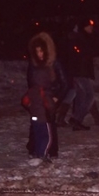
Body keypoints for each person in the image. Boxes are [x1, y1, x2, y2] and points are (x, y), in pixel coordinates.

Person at [24, 31, 67, 164]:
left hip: (50, 98)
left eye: (42, 51)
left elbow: (64, 83)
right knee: (37, 124)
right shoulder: (34, 64)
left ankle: (49, 151)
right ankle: (35, 149)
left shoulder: (54, 63)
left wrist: (56, 97)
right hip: (38, 99)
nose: (39, 54)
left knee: (49, 124)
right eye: (37, 51)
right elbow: (30, 81)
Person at [64, 20, 99, 131]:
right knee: (89, 95)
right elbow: (87, 53)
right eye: (89, 26)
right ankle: (77, 119)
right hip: (80, 71)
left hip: (79, 71)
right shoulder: (81, 38)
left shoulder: (82, 38)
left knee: (81, 96)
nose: (91, 28)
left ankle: (76, 119)